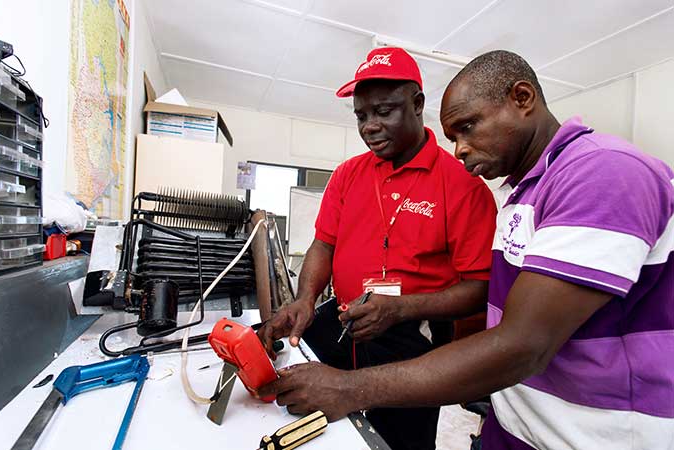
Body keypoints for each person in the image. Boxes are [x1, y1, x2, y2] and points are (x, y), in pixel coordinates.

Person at [259, 50, 674, 449]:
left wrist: (353, 384)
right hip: (517, 423)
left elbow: (521, 340)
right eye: (362, 116)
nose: (460, 149)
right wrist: (306, 300)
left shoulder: (604, 173)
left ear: (522, 98)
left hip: (587, 433)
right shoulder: (523, 193)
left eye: (469, 127)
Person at [257, 47, 498, 450]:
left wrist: (401, 308)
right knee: (318, 415)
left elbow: (479, 288)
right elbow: (323, 244)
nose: (370, 126)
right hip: (348, 315)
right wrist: (304, 299)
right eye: (361, 116)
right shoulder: (348, 175)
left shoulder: (463, 186)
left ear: (417, 104)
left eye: (384, 111)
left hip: (416, 333)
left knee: (400, 440)